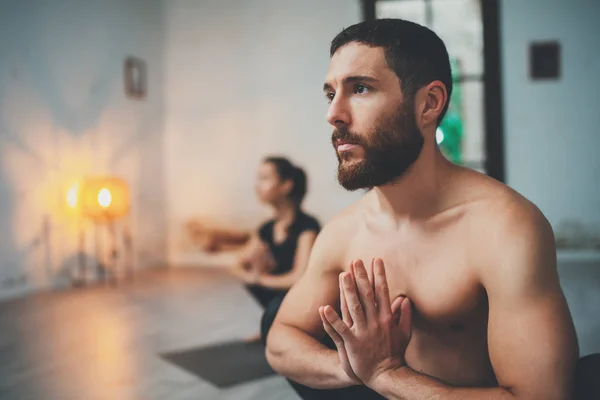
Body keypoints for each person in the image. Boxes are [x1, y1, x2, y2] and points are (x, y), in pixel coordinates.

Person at [265, 19, 579, 400]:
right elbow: (280, 341)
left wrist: (386, 373)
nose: (334, 114)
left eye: (360, 88)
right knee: (274, 316)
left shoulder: (505, 228)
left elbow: (543, 396)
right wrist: (351, 366)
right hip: (383, 388)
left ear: (429, 103)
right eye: (330, 94)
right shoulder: (345, 231)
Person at [229, 156, 321, 343]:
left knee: (275, 300)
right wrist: (256, 271)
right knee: (257, 283)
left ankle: (283, 327)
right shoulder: (266, 229)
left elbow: (299, 278)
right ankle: (272, 324)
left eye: (264, 178)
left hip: (303, 297)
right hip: (278, 291)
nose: (257, 186)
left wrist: (260, 278)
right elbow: (237, 264)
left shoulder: (307, 227)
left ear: (286, 185)